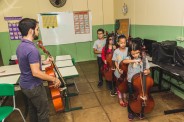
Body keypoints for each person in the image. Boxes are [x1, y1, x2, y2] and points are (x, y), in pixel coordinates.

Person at [16, 18, 61, 122]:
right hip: (34, 87)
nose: (38, 31)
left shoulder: (21, 46)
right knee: (43, 112)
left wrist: (44, 63)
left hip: (25, 85)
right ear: (31, 31)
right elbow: (35, 72)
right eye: (37, 29)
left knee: (33, 110)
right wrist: (53, 79)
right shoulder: (32, 49)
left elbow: (29, 64)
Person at [123, 42, 150, 121]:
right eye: (133, 53)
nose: (135, 55)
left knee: (140, 97)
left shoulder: (144, 58)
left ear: (140, 51)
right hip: (130, 82)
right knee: (132, 97)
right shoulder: (129, 57)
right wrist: (134, 61)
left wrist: (147, 71)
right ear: (130, 52)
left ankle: (139, 110)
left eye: (137, 53)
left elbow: (148, 70)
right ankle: (130, 112)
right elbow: (124, 61)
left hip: (141, 82)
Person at [112, 35, 128, 106]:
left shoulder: (128, 50)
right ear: (118, 43)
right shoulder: (116, 51)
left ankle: (124, 98)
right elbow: (115, 61)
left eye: (124, 42)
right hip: (118, 72)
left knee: (125, 86)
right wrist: (118, 69)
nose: (123, 44)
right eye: (121, 43)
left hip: (126, 72)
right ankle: (120, 99)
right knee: (119, 86)